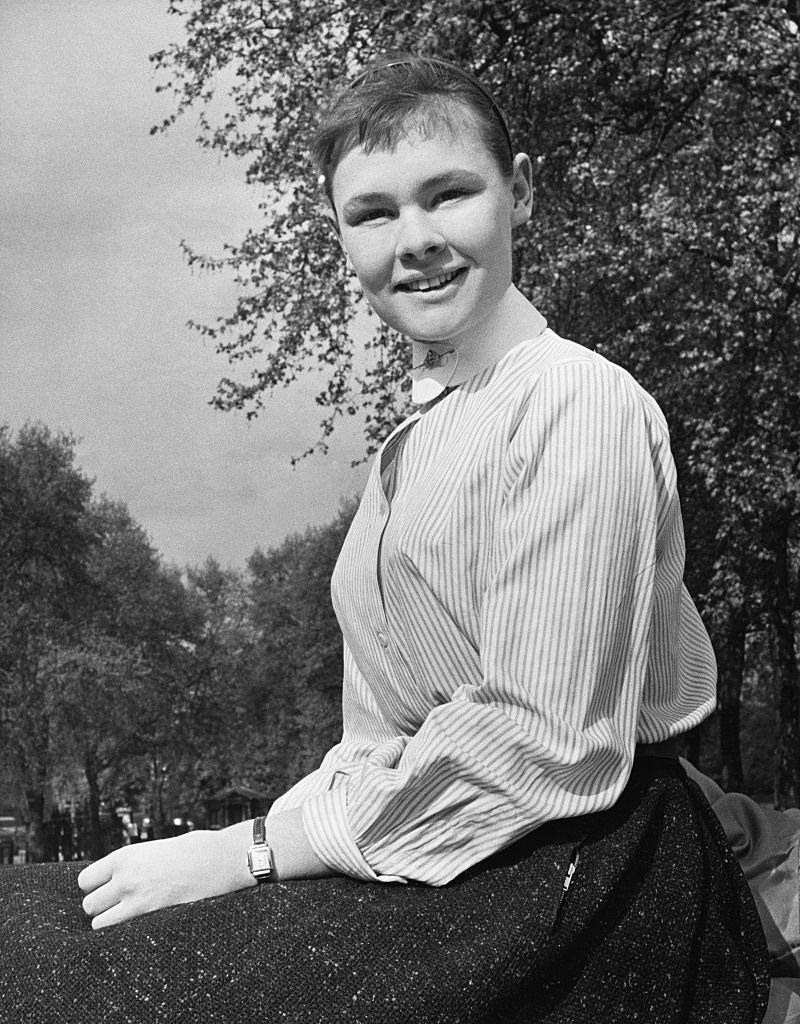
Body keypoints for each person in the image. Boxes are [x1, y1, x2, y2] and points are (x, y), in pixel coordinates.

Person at [10, 54, 775, 1022]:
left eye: (446, 194)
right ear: (341, 243)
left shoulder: (575, 402)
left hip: (585, 884)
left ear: (520, 193)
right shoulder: (402, 457)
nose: (412, 241)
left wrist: (250, 851)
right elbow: (374, 746)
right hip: (444, 863)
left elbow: (541, 745)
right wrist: (252, 846)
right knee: (59, 923)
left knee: (109, 986)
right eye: (372, 213)